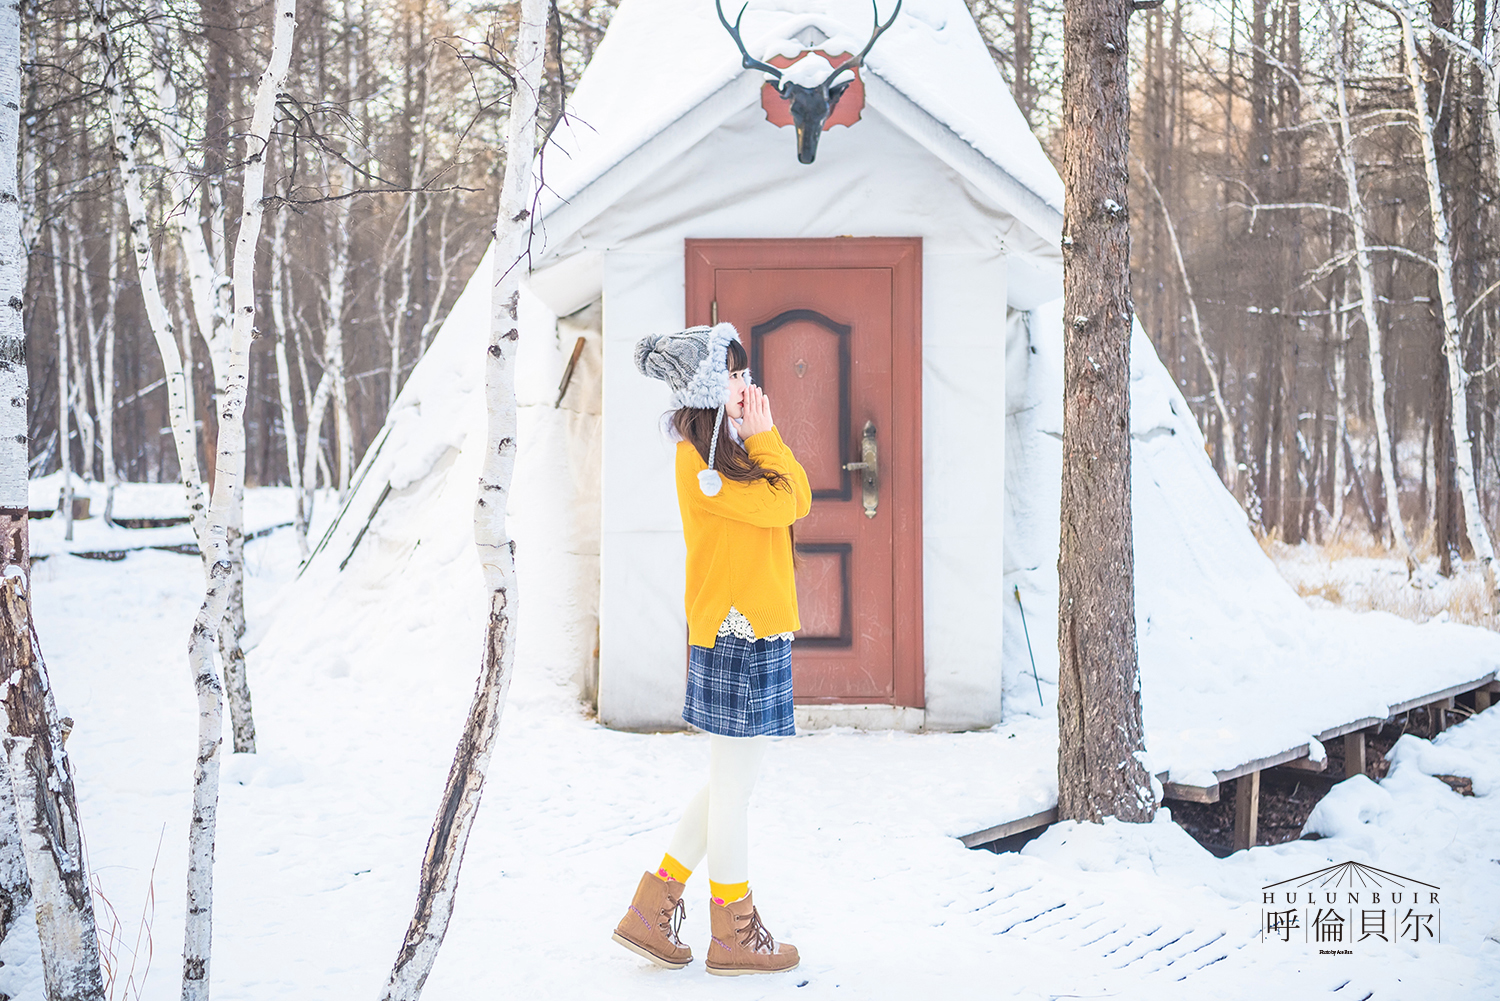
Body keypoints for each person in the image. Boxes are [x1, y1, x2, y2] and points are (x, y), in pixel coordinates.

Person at [612, 321, 811, 976]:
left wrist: (756, 436)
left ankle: (654, 905)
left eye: (744, 371)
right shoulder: (705, 465)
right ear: (706, 386)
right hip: (738, 629)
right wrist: (766, 433)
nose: (745, 383)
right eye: (732, 373)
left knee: (730, 780)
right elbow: (792, 501)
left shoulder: (729, 453)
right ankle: (733, 928)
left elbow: (788, 497)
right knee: (735, 786)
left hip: (751, 626)